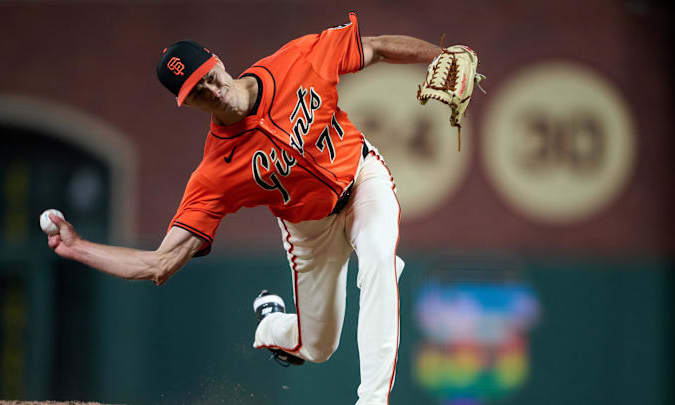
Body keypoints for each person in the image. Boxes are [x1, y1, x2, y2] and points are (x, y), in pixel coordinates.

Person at [46, 12, 445, 405]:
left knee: (378, 256)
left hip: (362, 180)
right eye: (197, 90)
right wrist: (78, 246)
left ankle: (372, 401)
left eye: (208, 76)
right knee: (318, 346)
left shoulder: (297, 60)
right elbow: (159, 264)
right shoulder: (215, 173)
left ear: (217, 60)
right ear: (186, 103)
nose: (211, 89)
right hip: (309, 231)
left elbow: (373, 48)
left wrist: (440, 57)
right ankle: (272, 322)